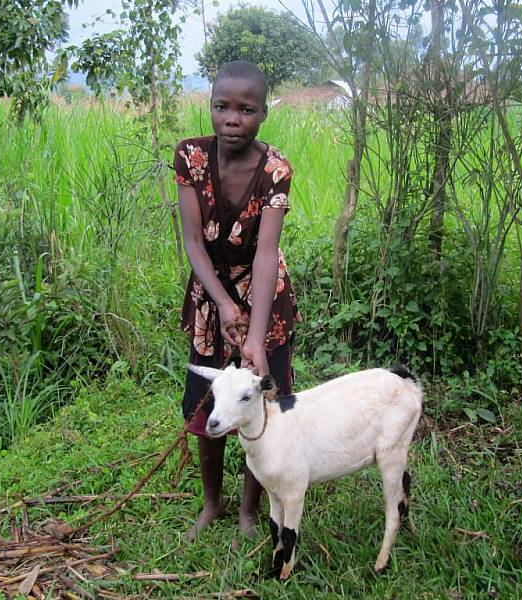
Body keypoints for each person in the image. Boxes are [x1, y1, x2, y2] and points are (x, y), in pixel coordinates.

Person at [174, 60, 300, 541]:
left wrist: (256, 336)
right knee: (210, 402)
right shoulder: (190, 157)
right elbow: (191, 241)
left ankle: (250, 509)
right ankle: (212, 503)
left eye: (246, 109)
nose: (232, 119)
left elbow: (266, 254)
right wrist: (224, 305)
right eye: (222, 106)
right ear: (210, 107)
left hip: (265, 298)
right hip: (212, 296)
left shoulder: (275, 170)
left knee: (257, 408)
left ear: (263, 113)